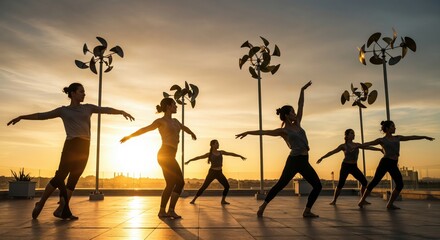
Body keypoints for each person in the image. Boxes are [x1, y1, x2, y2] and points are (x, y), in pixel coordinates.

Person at [7, 82, 134, 220]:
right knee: (60, 176)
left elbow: (106, 109)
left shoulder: (88, 108)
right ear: (73, 93)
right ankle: (41, 203)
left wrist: (121, 112)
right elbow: (42, 115)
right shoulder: (63, 111)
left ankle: (62, 208)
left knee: (73, 180)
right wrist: (22, 117)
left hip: (85, 146)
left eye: (84, 91)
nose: (84, 94)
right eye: (81, 91)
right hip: (71, 145)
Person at [236, 81, 322, 218]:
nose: (295, 113)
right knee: (280, 185)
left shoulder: (298, 123)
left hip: (304, 160)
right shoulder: (284, 131)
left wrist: (302, 90)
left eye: (294, 111)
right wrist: (248, 132)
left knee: (318, 186)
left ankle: (307, 210)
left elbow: (301, 105)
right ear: (287, 115)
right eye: (292, 112)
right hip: (293, 161)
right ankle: (263, 205)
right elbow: (264, 132)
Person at [120, 98, 196, 219]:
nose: (176, 107)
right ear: (168, 106)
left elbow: (184, 127)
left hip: (171, 154)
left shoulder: (176, 121)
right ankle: (170, 210)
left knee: (171, 184)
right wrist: (129, 136)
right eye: (174, 105)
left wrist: (191, 133)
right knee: (180, 182)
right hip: (165, 154)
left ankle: (162, 211)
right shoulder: (161, 121)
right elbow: (145, 129)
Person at [357, 120, 434, 209]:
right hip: (385, 162)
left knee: (400, 184)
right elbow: (368, 143)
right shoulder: (381, 140)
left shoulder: (397, 138)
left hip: (393, 164)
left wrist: (424, 137)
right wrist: (357, 146)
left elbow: (411, 137)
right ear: (387, 128)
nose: (395, 128)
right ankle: (362, 200)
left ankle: (390, 204)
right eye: (393, 126)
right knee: (375, 181)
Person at [316, 129, 382, 205]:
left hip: (354, 166)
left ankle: (362, 199)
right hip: (345, 166)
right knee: (341, 184)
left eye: (354, 133)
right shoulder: (343, 146)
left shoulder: (357, 145)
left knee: (364, 182)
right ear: (347, 136)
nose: (353, 135)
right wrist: (322, 157)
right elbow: (332, 152)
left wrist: (379, 149)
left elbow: (368, 147)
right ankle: (334, 200)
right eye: (351, 133)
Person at [185, 139, 246, 205]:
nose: (218, 144)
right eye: (216, 143)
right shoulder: (209, 154)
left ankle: (223, 200)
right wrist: (190, 160)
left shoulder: (221, 152)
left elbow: (230, 153)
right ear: (212, 145)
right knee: (204, 186)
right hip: (212, 172)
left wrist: (240, 156)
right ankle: (194, 200)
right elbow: (199, 157)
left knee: (227, 186)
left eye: (218, 143)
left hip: (219, 172)